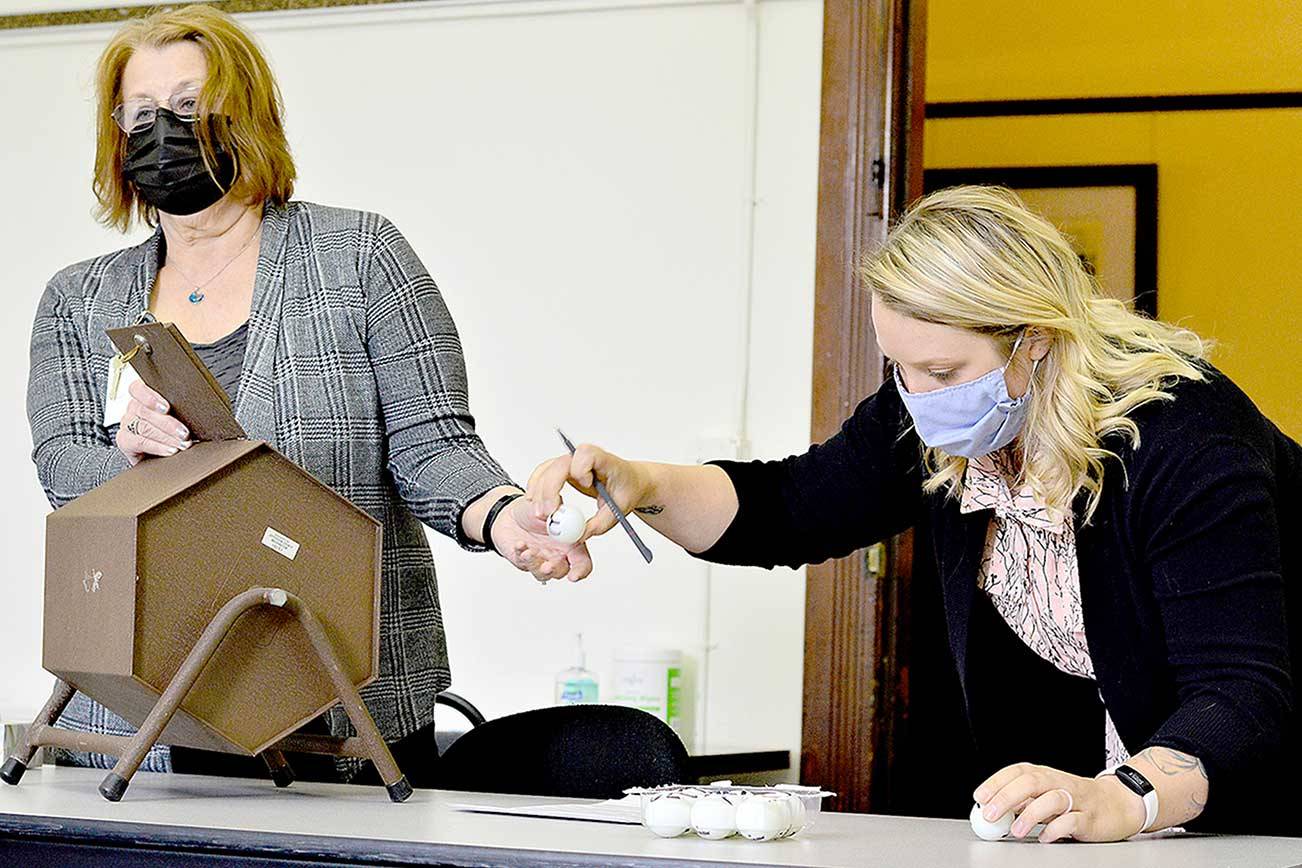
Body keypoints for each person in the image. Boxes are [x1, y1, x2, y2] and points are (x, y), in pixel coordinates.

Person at [528, 185, 1302, 841]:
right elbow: (791, 507)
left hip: (1260, 793)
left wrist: (1123, 796)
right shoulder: (940, 413)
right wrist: (640, 484)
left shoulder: (1187, 439)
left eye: (942, 370)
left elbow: (1242, 693)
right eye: (899, 368)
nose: (920, 399)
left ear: (1035, 340)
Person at [26, 4, 589, 786]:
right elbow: (61, 465)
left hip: (344, 712)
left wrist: (502, 518)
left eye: (190, 107)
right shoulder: (80, 299)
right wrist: (127, 456)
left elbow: (434, 446)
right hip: (140, 725)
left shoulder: (360, 257)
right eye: (142, 114)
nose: (164, 131)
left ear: (246, 115)